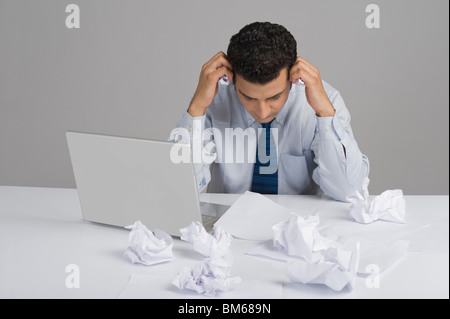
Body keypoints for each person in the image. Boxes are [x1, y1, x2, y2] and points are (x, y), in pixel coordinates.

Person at [170, 22, 369, 202]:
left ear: (293, 77)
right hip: (227, 228)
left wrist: (325, 113)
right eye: (248, 97)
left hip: (298, 227)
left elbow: (348, 190)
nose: (263, 112)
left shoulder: (324, 100)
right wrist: (197, 109)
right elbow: (178, 190)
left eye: (274, 97)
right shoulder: (213, 98)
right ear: (231, 79)